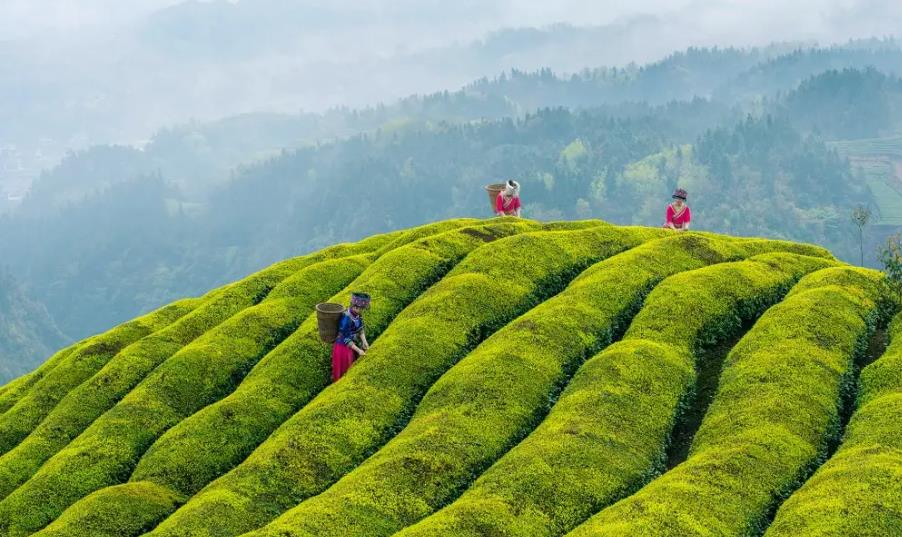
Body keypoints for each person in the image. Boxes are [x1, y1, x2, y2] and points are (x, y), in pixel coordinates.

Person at [331, 292, 370, 382]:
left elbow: (360, 328)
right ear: (355, 307)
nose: (362, 311)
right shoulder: (346, 317)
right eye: (361, 309)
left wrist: (365, 342)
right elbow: (346, 338)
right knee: (344, 370)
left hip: (351, 346)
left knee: (350, 366)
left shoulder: (357, 315)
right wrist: (359, 350)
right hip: (342, 348)